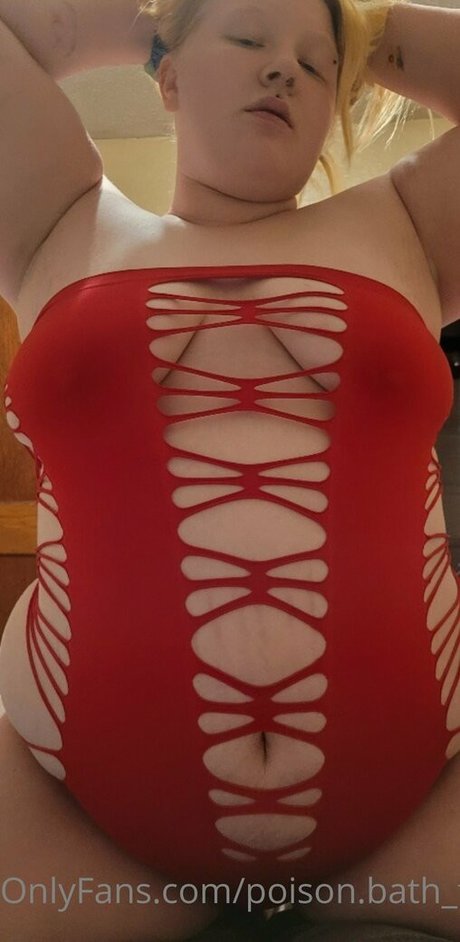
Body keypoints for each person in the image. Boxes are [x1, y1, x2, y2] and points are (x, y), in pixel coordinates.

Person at [0, 0, 459, 940]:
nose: (284, 69)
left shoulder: (408, 222)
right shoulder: (60, 217)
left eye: (316, 66)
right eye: (249, 40)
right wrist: (156, 19)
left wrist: (364, 32)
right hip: (74, 833)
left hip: (419, 827)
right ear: (164, 77)